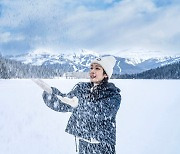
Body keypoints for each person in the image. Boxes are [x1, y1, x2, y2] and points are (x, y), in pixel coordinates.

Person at [42, 56, 121, 154]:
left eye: (97, 68)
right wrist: (51, 94)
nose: (92, 71)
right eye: (91, 68)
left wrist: (78, 105)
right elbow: (65, 103)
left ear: (105, 74)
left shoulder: (113, 95)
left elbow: (100, 112)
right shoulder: (82, 89)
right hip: (84, 143)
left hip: (103, 145)